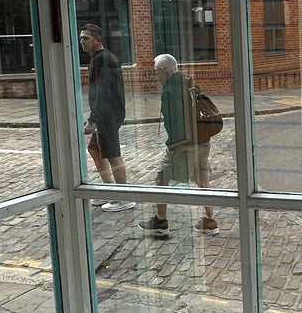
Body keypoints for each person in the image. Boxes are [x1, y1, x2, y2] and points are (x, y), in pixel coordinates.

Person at [144, 54, 220, 238]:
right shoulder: (187, 82)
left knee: (161, 178)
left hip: (185, 145)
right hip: (202, 141)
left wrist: (174, 145)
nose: (155, 76)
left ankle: (160, 222)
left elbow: (177, 121)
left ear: (163, 71)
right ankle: (210, 222)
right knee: (203, 180)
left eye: (156, 72)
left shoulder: (170, 91)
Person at [79, 24, 133, 210]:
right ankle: (109, 190)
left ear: (97, 40)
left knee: (113, 155)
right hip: (106, 114)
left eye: (86, 38)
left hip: (107, 115)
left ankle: (124, 197)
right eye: (81, 38)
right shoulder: (99, 58)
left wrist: (93, 120)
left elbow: (102, 92)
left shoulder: (103, 59)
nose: (82, 42)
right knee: (95, 150)